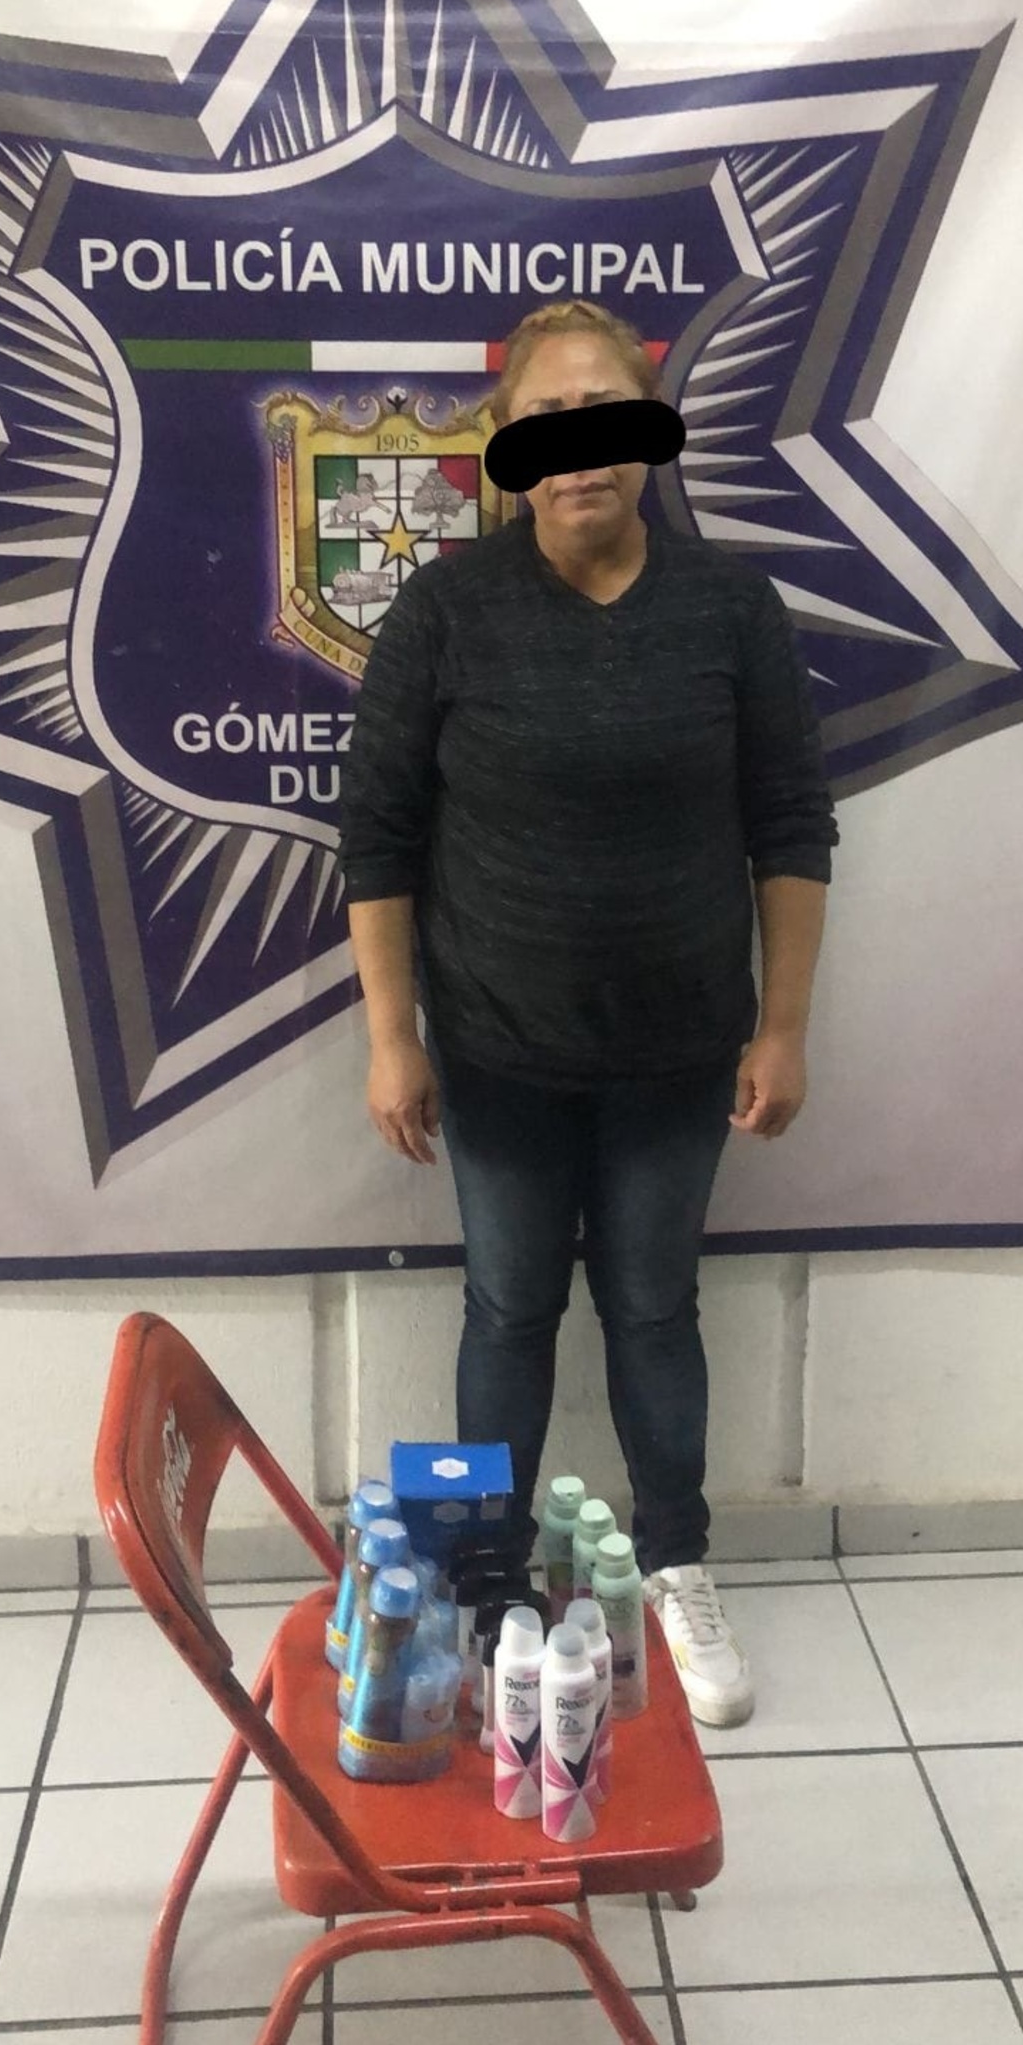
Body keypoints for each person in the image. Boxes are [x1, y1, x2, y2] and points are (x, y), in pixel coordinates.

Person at [339, 299, 838, 1727]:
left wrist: (784, 1027)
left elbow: (791, 825)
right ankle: (490, 1583)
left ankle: (675, 1564)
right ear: (507, 444)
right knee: (508, 1310)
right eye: (548, 422)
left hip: (680, 1053)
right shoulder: (447, 613)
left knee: (654, 1308)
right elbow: (377, 835)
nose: (582, 450)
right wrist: (392, 1037)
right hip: (497, 1055)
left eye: (608, 417)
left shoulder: (730, 608)